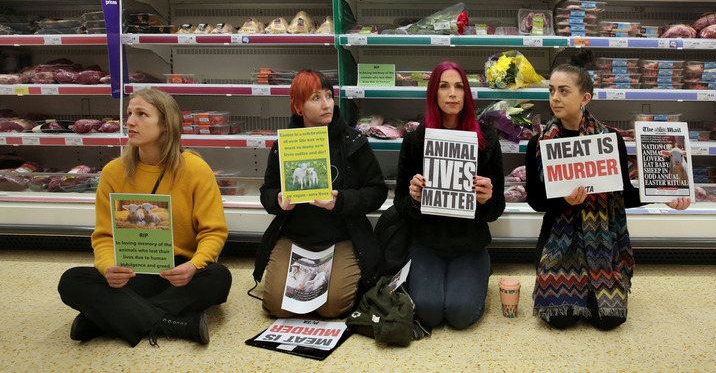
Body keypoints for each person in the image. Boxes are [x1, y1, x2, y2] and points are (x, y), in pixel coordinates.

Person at [525, 51, 690, 330]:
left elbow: (623, 193)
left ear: (585, 98)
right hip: (558, 241)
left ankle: (594, 284)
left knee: (610, 320)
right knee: (559, 319)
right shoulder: (538, 144)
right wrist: (561, 198)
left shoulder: (610, 139)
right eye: (552, 90)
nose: (555, 98)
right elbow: (535, 202)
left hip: (603, 241)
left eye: (564, 91)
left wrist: (663, 196)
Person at [58, 88, 232, 347]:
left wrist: (194, 265)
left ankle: (102, 319)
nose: (129, 121)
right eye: (129, 113)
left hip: (176, 272)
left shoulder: (195, 168)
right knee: (71, 281)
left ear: (165, 124)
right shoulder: (113, 172)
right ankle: (173, 323)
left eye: (141, 114)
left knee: (219, 277)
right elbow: (104, 235)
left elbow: (213, 231)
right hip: (131, 269)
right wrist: (108, 268)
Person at [253, 69, 387, 318]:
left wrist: (341, 201)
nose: (327, 104)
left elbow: (377, 191)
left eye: (329, 95)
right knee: (277, 307)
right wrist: (277, 200)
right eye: (316, 98)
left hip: (342, 238)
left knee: (332, 308)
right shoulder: (284, 145)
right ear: (298, 107)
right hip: (294, 238)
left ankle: (334, 279)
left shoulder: (353, 141)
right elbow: (266, 191)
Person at [394, 61, 505, 330]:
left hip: (469, 244)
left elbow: (497, 207)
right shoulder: (415, 141)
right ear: (433, 94)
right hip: (427, 243)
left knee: (460, 315)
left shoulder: (486, 140)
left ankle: (477, 270)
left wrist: (487, 199)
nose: (452, 93)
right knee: (429, 313)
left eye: (459, 87)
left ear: (467, 94)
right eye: (444, 86)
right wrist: (413, 198)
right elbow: (399, 204)